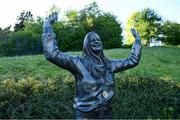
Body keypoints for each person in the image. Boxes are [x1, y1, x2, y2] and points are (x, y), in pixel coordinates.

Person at [42, 12, 142, 119]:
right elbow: (52, 54)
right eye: (92, 40)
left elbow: (133, 60)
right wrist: (48, 27)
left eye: (98, 40)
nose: (96, 42)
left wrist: (137, 42)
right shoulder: (78, 63)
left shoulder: (110, 65)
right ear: (87, 45)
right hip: (84, 116)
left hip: (106, 115)